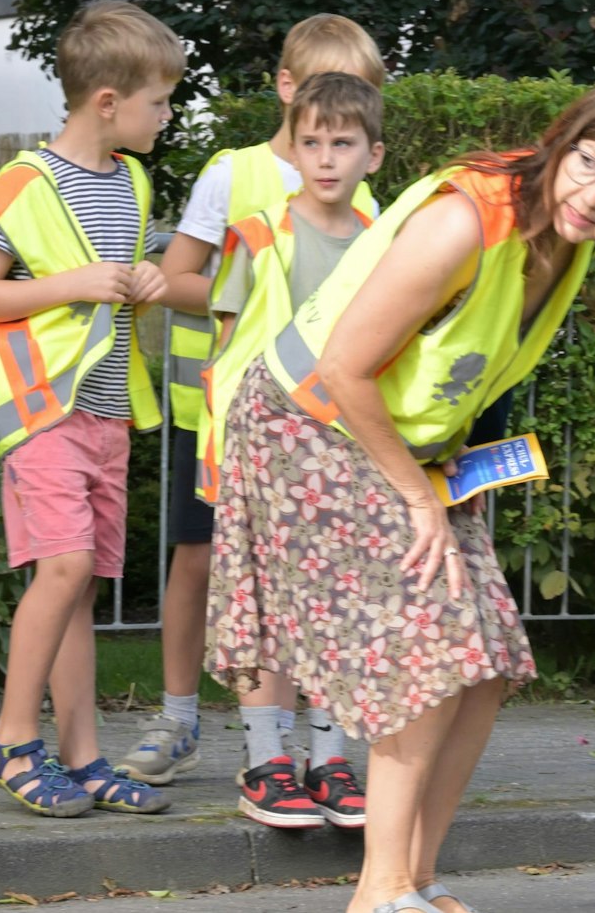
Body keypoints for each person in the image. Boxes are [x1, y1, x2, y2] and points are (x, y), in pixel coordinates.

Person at [206, 79, 595, 913]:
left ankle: (419, 879)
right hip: (310, 424)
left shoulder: (567, 234)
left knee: (487, 665)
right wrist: (418, 498)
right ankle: (380, 890)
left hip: (408, 447)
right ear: (563, 142)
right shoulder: (463, 219)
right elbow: (345, 368)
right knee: (433, 657)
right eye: (588, 165)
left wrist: (448, 474)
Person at [118, 16, 382, 807]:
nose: (335, 138)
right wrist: (259, 280)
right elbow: (176, 279)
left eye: (361, 104)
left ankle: (306, 747)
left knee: (309, 581)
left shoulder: (364, 197)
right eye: (328, 105)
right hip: (224, 416)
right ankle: (178, 717)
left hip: (322, 426)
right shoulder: (233, 174)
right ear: (288, 90)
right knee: (202, 563)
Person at [0, 0, 183, 817]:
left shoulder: (132, 178)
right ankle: (13, 738)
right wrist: (80, 282)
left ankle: (83, 759)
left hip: (107, 410)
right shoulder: (24, 183)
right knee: (64, 567)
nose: (169, 113)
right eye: (161, 100)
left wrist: (147, 284)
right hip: (39, 410)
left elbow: (114, 295)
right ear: (108, 101)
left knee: (80, 583)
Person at [197, 72, 385, 829]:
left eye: (343, 143)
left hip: (344, 445)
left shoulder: (382, 245)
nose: (327, 157)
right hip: (267, 448)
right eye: (312, 141)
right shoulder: (259, 233)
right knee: (264, 602)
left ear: (373, 155)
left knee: (339, 603)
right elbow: (226, 340)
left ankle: (329, 757)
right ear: (295, 147)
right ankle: (266, 759)